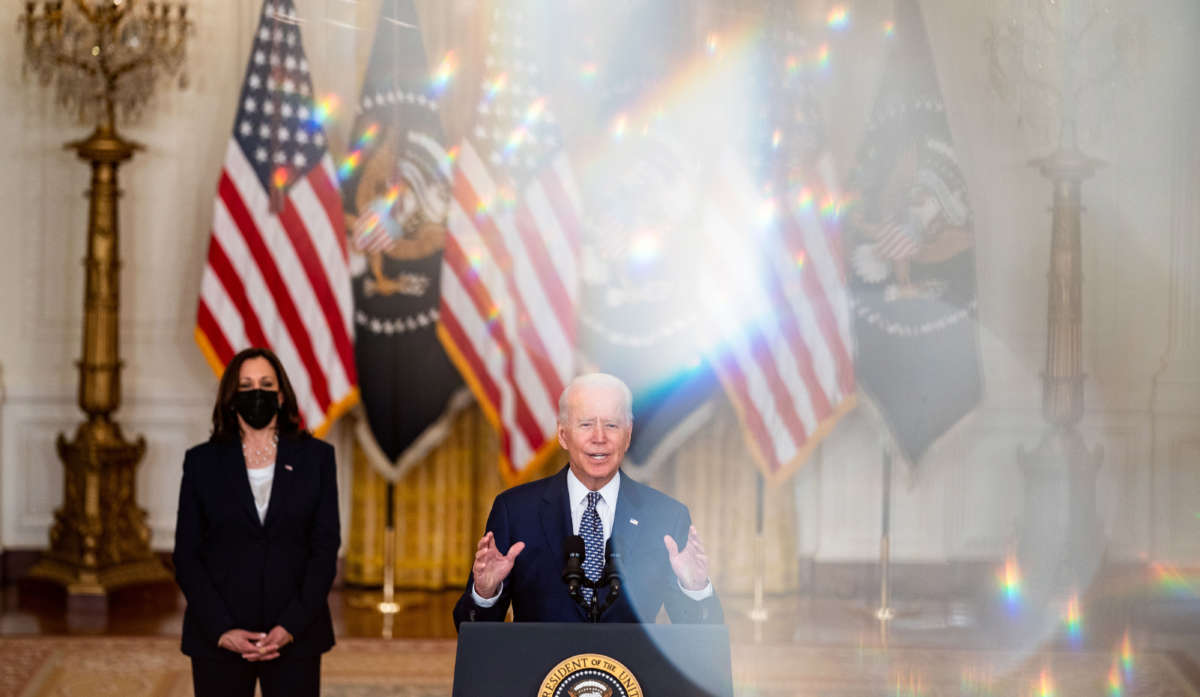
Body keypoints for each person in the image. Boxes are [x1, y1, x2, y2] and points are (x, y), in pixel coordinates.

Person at [453, 373, 723, 628]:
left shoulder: (666, 516)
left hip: (630, 674)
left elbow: (698, 637)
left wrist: (695, 589)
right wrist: (485, 592)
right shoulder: (516, 510)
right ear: (562, 435)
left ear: (627, 435)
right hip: (541, 673)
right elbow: (471, 628)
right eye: (585, 424)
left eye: (611, 425)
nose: (599, 438)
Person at [173, 347, 340, 697]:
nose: (257, 393)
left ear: (281, 395)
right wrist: (221, 629)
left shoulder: (317, 459)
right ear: (232, 398)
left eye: (266, 384)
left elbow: (324, 550)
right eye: (246, 385)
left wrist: (291, 625)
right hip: (219, 634)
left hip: (296, 634)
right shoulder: (201, 463)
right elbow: (187, 556)